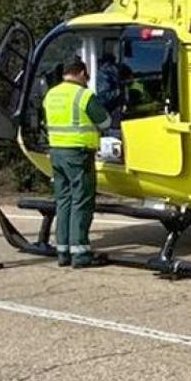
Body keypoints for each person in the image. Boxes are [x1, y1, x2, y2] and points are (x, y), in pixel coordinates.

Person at [43, 56, 111, 268]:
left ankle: (63, 252)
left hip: (56, 153)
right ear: (81, 73)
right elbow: (105, 121)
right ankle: (80, 253)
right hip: (78, 154)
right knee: (81, 201)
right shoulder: (83, 95)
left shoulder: (50, 94)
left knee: (63, 201)